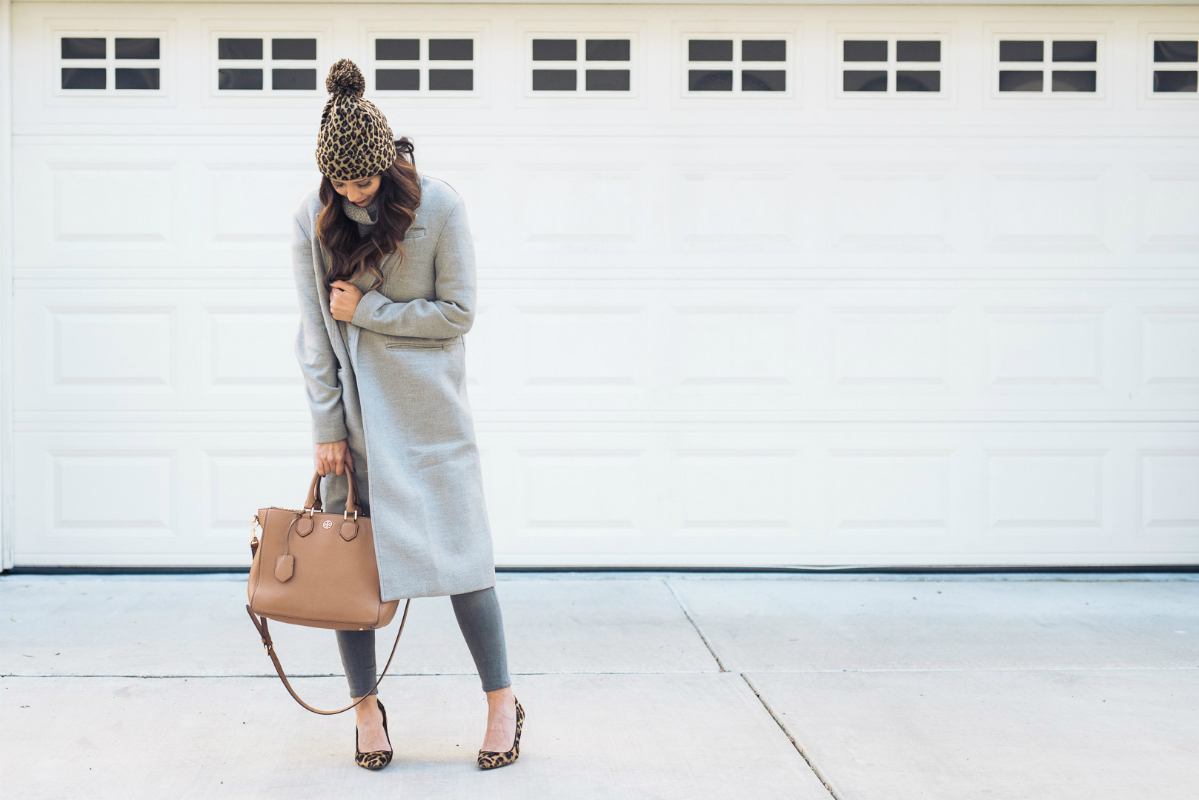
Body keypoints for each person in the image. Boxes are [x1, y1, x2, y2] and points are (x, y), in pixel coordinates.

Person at [289, 57, 523, 771]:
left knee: (464, 561)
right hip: (357, 426)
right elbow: (312, 333)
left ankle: (501, 703)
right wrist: (327, 430)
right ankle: (366, 712)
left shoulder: (439, 207)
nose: (358, 193)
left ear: (392, 160)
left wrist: (372, 311)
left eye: (368, 179)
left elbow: (458, 314)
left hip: (430, 419)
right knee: (348, 572)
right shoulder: (312, 217)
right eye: (344, 183)